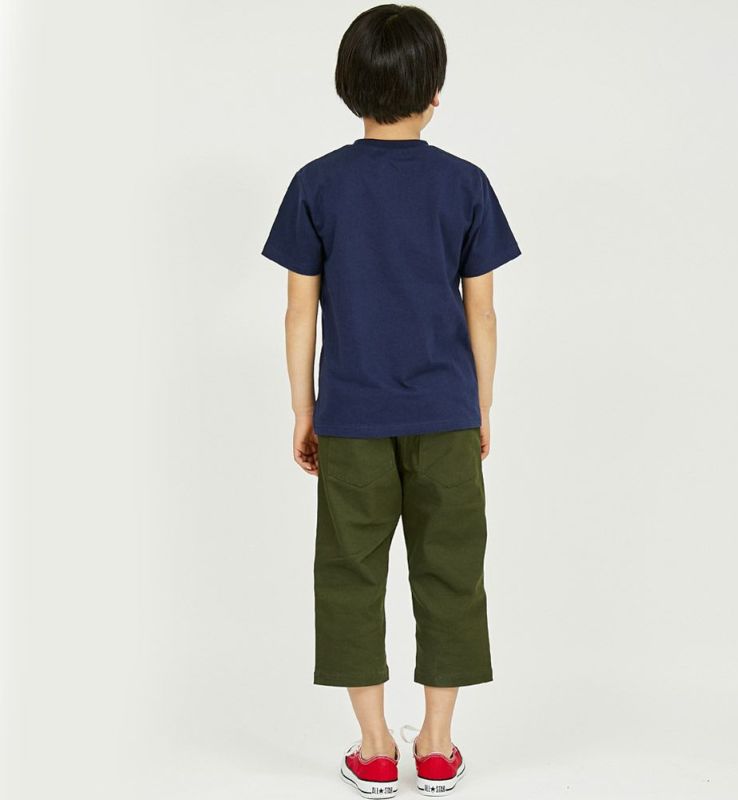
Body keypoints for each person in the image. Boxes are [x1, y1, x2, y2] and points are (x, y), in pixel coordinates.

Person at [261, 4, 521, 795]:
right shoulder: (464, 183)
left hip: (352, 417)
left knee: (350, 575)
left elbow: (299, 311)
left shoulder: (317, 183)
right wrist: (480, 406)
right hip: (445, 415)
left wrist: (304, 410)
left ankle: (375, 748)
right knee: (451, 573)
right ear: (435, 92)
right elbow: (482, 311)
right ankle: (436, 746)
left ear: (348, 87)